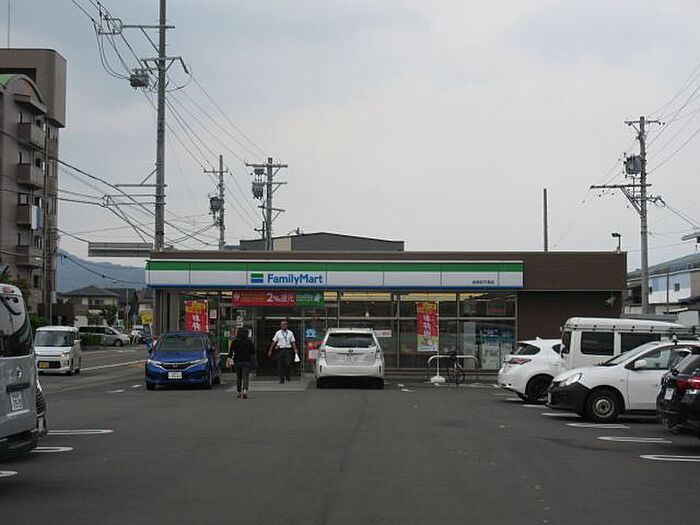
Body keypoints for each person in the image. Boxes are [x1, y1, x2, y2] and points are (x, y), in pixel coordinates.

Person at [268, 320, 298, 384]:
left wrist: (295, 349)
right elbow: (274, 341)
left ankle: (287, 374)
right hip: (280, 350)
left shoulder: (290, 333)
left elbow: (293, 342)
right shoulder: (278, 333)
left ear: (287, 325)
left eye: (284, 324)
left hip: (288, 350)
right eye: (282, 324)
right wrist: (270, 350)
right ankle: (282, 379)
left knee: (288, 363)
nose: (283, 325)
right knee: (280, 365)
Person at [231, 327, 255, 399]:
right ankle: (245, 390)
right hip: (247, 361)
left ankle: (239, 392)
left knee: (238, 377)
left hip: (237, 361)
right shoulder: (249, 342)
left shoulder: (234, 342)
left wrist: (229, 359)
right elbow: (253, 352)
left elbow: (231, 352)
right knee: (245, 377)